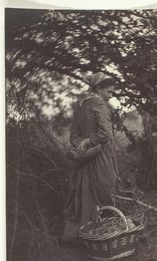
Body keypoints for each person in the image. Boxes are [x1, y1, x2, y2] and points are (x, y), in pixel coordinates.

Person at [62, 72, 119, 242]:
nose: (111, 95)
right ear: (99, 88)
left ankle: (80, 234)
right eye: (109, 91)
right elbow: (106, 134)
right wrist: (89, 142)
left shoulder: (80, 105)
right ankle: (101, 236)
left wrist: (82, 145)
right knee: (104, 189)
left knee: (83, 192)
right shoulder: (98, 104)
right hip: (99, 155)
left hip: (84, 157)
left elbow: (73, 136)